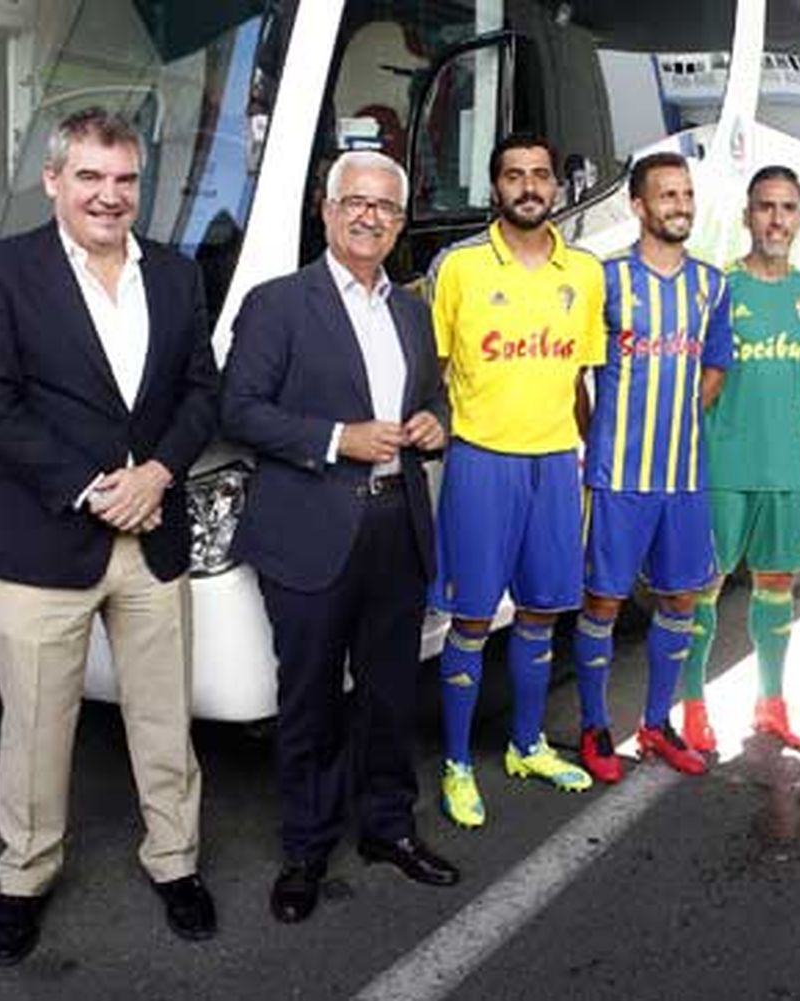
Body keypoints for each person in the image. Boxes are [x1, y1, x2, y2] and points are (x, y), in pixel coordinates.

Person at [0, 107, 220, 963]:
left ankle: (175, 860)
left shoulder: (177, 275)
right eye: (90, 177)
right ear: (52, 180)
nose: (109, 196)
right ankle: (25, 875)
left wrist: (158, 474)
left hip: (154, 531)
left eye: (124, 179)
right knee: (36, 725)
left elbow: (202, 392)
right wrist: (93, 489)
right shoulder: (3, 271)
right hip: (45, 539)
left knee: (163, 717)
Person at [222, 150, 458, 924]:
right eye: (355, 201)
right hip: (310, 531)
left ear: (400, 222)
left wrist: (436, 425)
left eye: (384, 207)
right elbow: (239, 410)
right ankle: (306, 847)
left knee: (391, 694)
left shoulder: (411, 310)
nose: (369, 216)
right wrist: (335, 439)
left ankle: (389, 826)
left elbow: (435, 399)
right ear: (325, 211)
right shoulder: (277, 302)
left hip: (397, 525)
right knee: (311, 699)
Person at [429, 133, 607, 828]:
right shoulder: (459, 267)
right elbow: (432, 374)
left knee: (541, 612)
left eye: (539, 175)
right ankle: (456, 762)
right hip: (482, 462)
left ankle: (527, 744)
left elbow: (581, 377)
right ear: (494, 186)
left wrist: (590, 455)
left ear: (556, 187)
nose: (528, 186)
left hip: (555, 464)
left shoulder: (584, 272)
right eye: (513, 175)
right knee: (472, 618)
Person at [572, 152, 731, 783]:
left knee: (680, 597)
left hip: (683, 477)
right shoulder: (607, 279)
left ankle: (657, 723)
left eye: (686, 194)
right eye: (667, 194)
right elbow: (576, 373)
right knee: (603, 603)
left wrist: (680, 416)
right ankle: (593, 725)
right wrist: (600, 435)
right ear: (638, 205)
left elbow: (715, 367)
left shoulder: (711, 284)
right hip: (618, 477)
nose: (680, 205)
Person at [677, 165, 800, 756]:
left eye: (787, 207)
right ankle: (693, 707)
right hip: (722, 468)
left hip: (786, 471)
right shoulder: (719, 289)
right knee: (703, 587)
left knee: (777, 583)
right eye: (766, 206)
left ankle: (771, 703)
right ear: (747, 215)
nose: (776, 219)